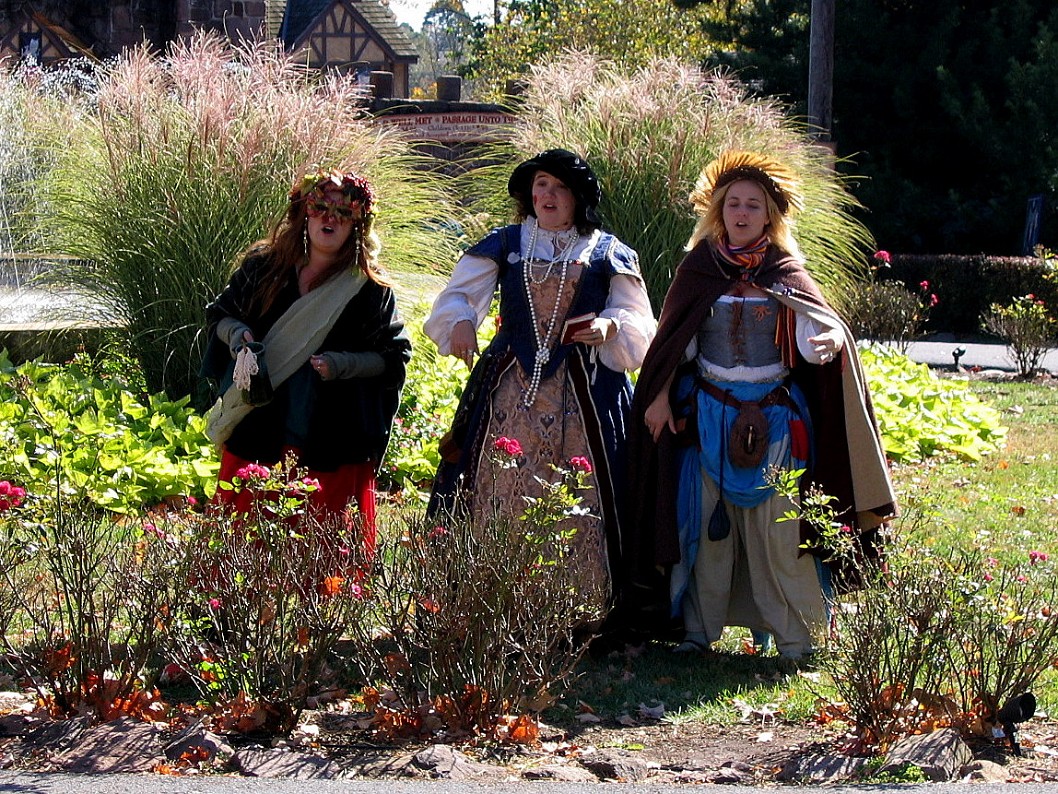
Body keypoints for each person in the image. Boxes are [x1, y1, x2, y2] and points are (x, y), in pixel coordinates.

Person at [626, 150, 897, 659]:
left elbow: (823, 325)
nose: (743, 212)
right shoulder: (698, 269)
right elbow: (672, 347)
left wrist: (832, 339)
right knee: (706, 532)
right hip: (708, 416)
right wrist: (659, 396)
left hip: (776, 419)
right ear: (718, 210)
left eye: (754, 204)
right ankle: (697, 634)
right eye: (733, 204)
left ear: (771, 214)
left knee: (781, 533)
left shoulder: (785, 270)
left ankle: (801, 639)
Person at [424, 148, 656, 606]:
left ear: (578, 198)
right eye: (542, 184)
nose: (548, 194)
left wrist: (611, 325)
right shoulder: (506, 243)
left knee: (582, 494)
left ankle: (580, 606)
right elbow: (456, 298)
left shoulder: (608, 252)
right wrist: (463, 320)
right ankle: (492, 602)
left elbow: (637, 320)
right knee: (499, 486)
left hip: (586, 391)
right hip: (510, 391)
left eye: (560, 187)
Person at [200, 165, 411, 557]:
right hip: (259, 423)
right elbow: (221, 315)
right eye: (321, 207)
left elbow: (392, 357)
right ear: (304, 212)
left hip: (329, 434)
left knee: (319, 554)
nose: (330, 218)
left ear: (358, 224)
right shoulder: (264, 268)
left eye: (343, 211)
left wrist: (340, 364)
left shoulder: (369, 289)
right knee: (243, 544)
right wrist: (240, 338)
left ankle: (316, 618)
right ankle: (236, 612)